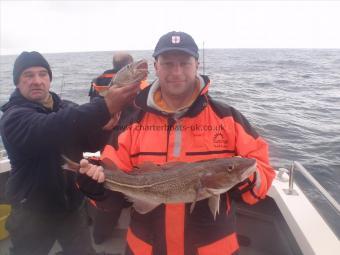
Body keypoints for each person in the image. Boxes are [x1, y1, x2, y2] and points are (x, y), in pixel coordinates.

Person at [78, 31, 276, 255]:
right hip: (145, 249)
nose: (176, 71)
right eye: (168, 63)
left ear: (197, 65)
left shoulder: (228, 118)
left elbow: (263, 173)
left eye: (184, 63)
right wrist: (95, 190)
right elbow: (110, 178)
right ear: (156, 67)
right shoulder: (131, 124)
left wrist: (240, 176)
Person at [0, 51, 140, 255]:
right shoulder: (13, 117)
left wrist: (104, 129)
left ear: (49, 79)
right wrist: (105, 106)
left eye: (42, 74)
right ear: (17, 82)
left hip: (72, 206)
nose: (37, 81)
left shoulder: (66, 107)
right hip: (31, 211)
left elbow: (88, 146)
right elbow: (52, 128)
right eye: (28, 75)